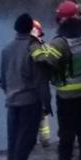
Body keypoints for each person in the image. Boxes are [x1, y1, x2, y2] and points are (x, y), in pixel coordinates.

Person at [33, 0, 81, 160]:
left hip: (67, 95)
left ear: (61, 20)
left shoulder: (60, 43)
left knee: (67, 131)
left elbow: (45, 61)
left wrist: (35, 46)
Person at [0, 13, 49, 160]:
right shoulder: (33, 49)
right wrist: (46, 102)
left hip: (12, 101)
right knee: (26, 139)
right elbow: (40, 80)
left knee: (13, 139)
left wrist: (10, 92)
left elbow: (3, 80)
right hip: (29, 102)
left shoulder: (6, 50)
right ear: (31, 29)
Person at [30, 19, 53, 148]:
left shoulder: (27, 47)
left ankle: (34, 142)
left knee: (35, 117)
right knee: (42, 117)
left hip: (32, 89)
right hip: (43, 89)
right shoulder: (45, 46)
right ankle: (45, 141)